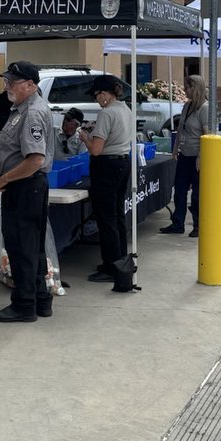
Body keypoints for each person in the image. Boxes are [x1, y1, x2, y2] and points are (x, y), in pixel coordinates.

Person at [0, 60, 54, 322]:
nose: (7, 86)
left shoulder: (33, 112)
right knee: (32, 245)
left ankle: (24, 305)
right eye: (6, 81)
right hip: (26, 186)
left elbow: (34, 159)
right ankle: (40, 299)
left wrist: (5, 178)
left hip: (25, 186)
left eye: (12, 82)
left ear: (30, 85)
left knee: (21, 246)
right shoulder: (22, 108)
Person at [78, 75, 132, 286]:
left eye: (96, 95)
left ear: (104, 94)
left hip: (106, 166)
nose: (96, 100)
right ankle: (119, 259)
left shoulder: (107, 114)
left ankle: (110, 266)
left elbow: (96, 150)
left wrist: (85, 137)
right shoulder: (125, 109)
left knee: (106, 217)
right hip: (123, 163)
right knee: (117, 214)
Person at [160, 74, 209, 239]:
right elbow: (180, 129)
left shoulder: (204, 108)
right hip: (184, 155)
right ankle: (177, 223)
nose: (184, 90)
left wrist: (201, 157)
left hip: (196, 157)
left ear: (195, 88)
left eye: (187, 87)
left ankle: (198, 225)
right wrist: (175, 149)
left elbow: (207, 135)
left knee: (197, 194)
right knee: (179, 190)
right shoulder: (187, 106)